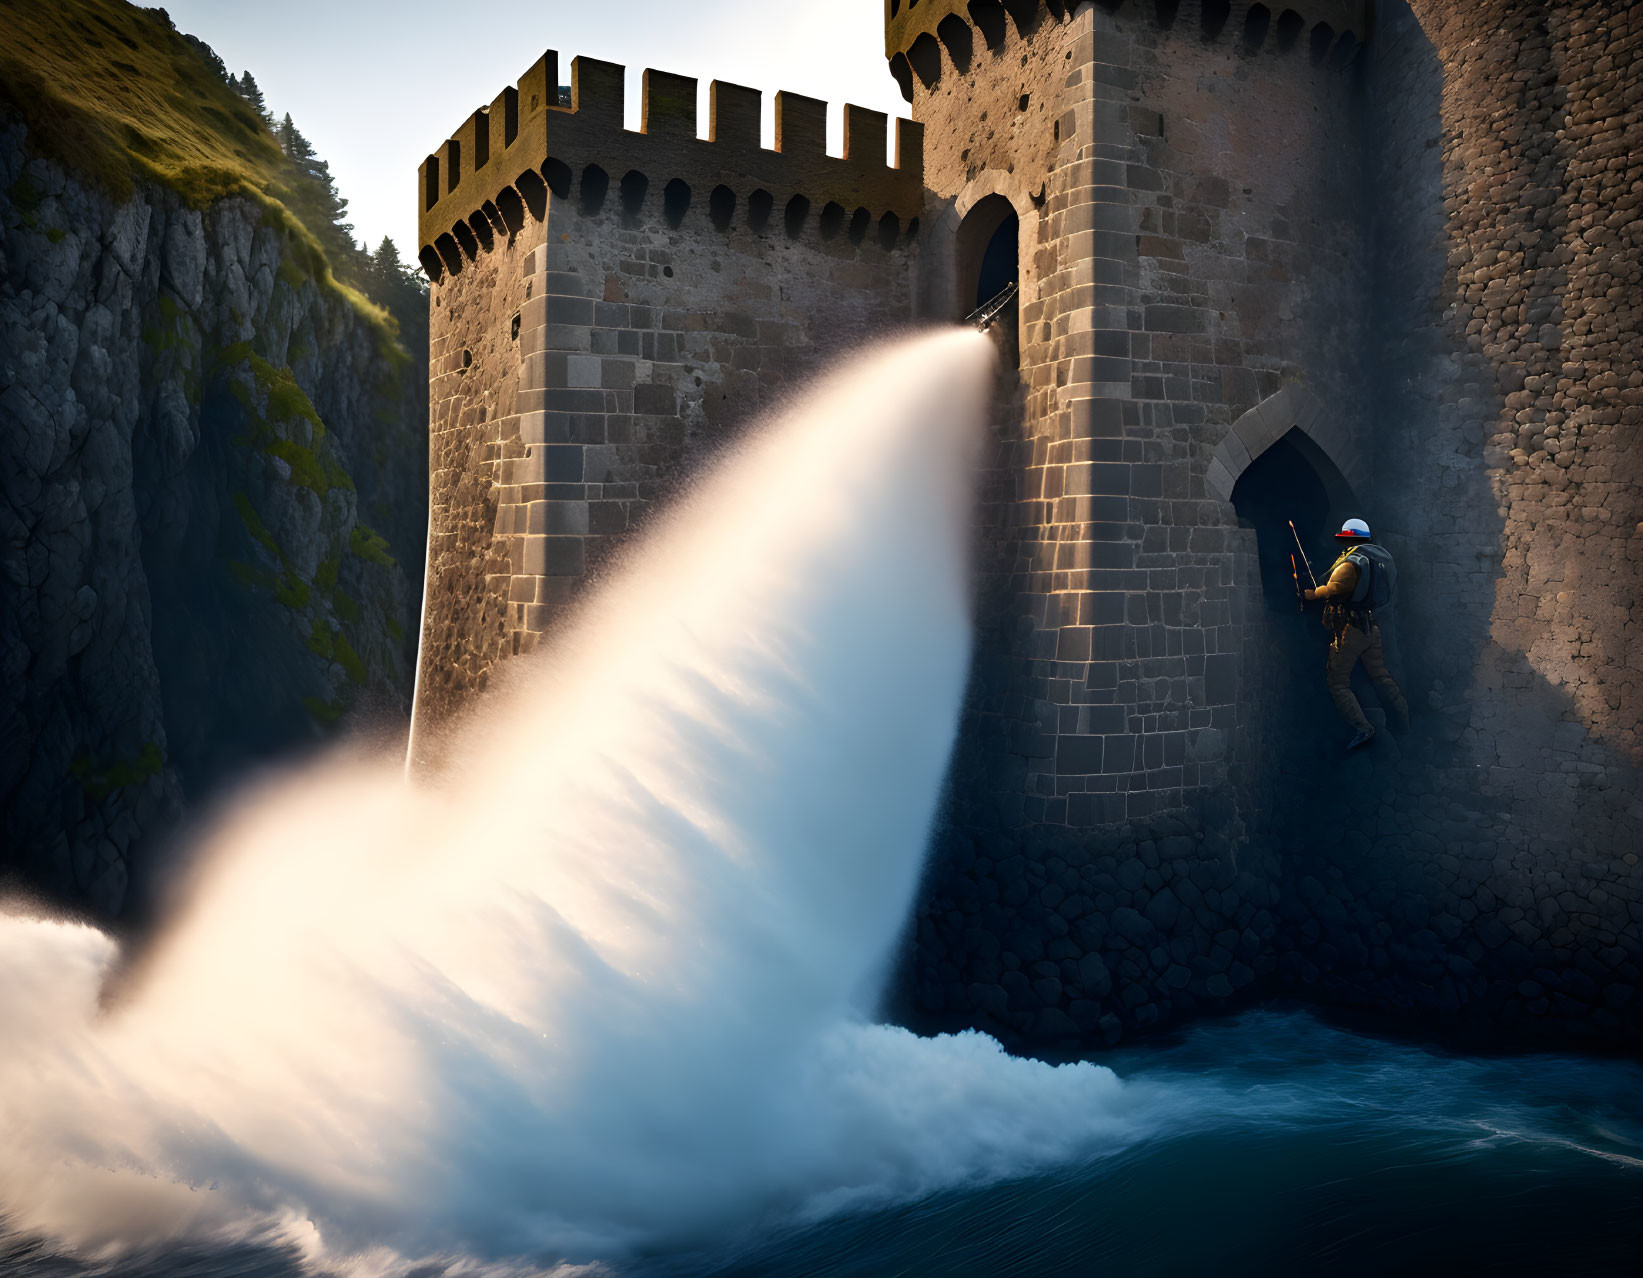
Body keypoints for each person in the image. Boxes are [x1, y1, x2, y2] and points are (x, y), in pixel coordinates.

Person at [1301, 518, 1409, 750]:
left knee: (1337, 683)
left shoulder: (1351, 564)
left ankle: (1363, 728)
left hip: (1351, 630)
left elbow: (1333, 589)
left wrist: (1310, 594)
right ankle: (1403, 719)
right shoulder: (1373, 560)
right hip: (1370, 626)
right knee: (1380, 676)